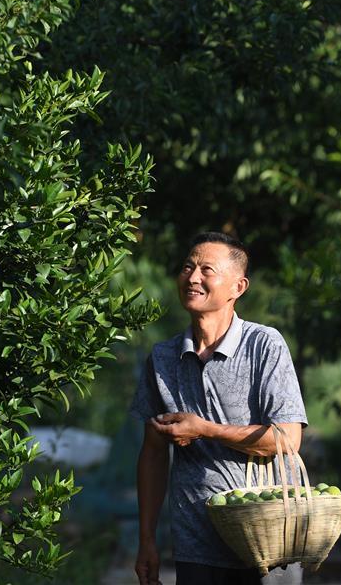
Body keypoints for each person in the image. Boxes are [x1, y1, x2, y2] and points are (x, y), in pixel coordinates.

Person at [129, 232, 308, 585]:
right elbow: (152, 453)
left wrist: (205, 429)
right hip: (195, 544)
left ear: (237, 287)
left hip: (269, 544)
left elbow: (288, 439)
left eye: (206, 270)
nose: (193, 278)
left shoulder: (264, 346)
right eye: (187, 267)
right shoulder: (163, 358)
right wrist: (147, 540)